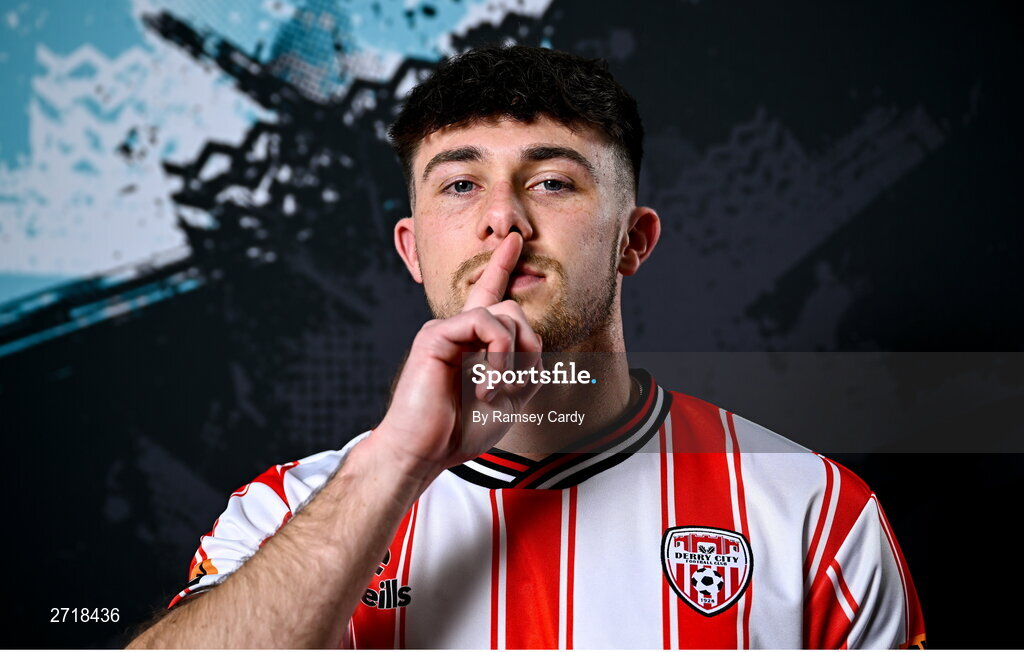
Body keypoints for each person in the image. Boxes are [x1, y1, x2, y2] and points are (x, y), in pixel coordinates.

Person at [127, 45, 926, 649]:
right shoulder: (280, 511)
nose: (503, 218)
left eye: (551, 182)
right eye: (460, 184)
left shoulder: (815, 512)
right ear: (411, 249)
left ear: (633, 241)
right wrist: (396, 460)